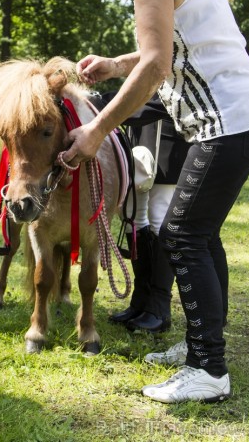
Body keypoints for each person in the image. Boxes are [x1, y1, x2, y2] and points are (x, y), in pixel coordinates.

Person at [61, 0, 249, 403]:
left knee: (180, 234)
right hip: (243, 118)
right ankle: (203, 349)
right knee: (200, 234)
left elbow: (158, 65)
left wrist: (94, 133)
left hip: (227, 122)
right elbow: (178, 44)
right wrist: (115, 63)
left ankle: (209, 370)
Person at [108, 95, 190, 333]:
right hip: (139, 136)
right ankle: (141, 300)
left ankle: (159, 307)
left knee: (159, 220)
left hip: (170, 139)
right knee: (134, 218)